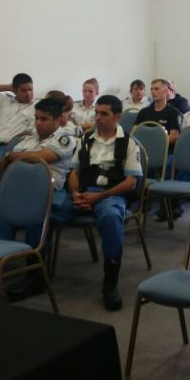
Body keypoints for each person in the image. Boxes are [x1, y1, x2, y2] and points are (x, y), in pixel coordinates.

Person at [0, 97, 79, 301]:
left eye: (44, 119)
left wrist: (12, 157)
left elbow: (41, 157)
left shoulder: (65, 139)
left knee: (35, 216)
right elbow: (8, 163)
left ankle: (35, 275)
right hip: (20, 190)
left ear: (57, 120)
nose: (38, 123)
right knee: (3, 215)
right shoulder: (29, 139)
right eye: (37, 118)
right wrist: (13, 159)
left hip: (48, 192)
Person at [68, 95, 142, 311]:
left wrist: (98, 198)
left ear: (117, 116)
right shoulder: (86, 139)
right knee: (45, 208)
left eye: (104, 114)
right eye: (96, 113)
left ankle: (110, 284)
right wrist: (75, 194)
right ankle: (35, 272)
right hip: (83, 193)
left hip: (109, 195)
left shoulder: (129, 143)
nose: (98, 118)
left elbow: (131, 182)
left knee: (111, 217)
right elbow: (74, 173)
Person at [0, 73, 36, 170]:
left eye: (30, 89)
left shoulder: (37, 107)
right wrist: (8, 87)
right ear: (15, 90)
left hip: (12, 149)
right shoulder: (5, 101)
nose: (28, 94)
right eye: (23, 90)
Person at [135, 78, 183, 151]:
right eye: (151, 89)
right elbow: (134, 132)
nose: (153, 91)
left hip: (164, 151)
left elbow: (173, 136)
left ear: (166, 91)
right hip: (144, 150)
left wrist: (153, 143)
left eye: (156, 89)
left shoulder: (173, 112)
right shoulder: (143, 111)